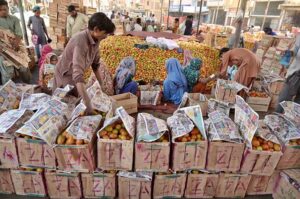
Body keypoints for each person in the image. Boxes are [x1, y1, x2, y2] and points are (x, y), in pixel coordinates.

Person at [53, 12, 115, 114]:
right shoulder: (80, 41)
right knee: (65, 107)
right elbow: (77, 76)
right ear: (96, 30)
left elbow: (95, 65)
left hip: (74, 76)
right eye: (105, 33)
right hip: (65, 75)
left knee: (77, 102)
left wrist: (102, 85)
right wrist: (88, 104)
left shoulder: (96, 39)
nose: (106, 36)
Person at [0, 0, 22, 84]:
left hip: (15, 47)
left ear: (8, 8)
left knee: (24, 70)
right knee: (7, 73)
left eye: (4, 9)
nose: (2, 12)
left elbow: (18, 33)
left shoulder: (14, 19)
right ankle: (7, 93)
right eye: (0, 10)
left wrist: (16, 44)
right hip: (2, 51)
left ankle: (29, 88)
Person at [276, 35, 300, 113]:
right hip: (295, 74)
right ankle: (275, 119)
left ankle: (293, 122)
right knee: (283, 99)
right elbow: (295, 51)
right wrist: (289, 52)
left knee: (298, 104)